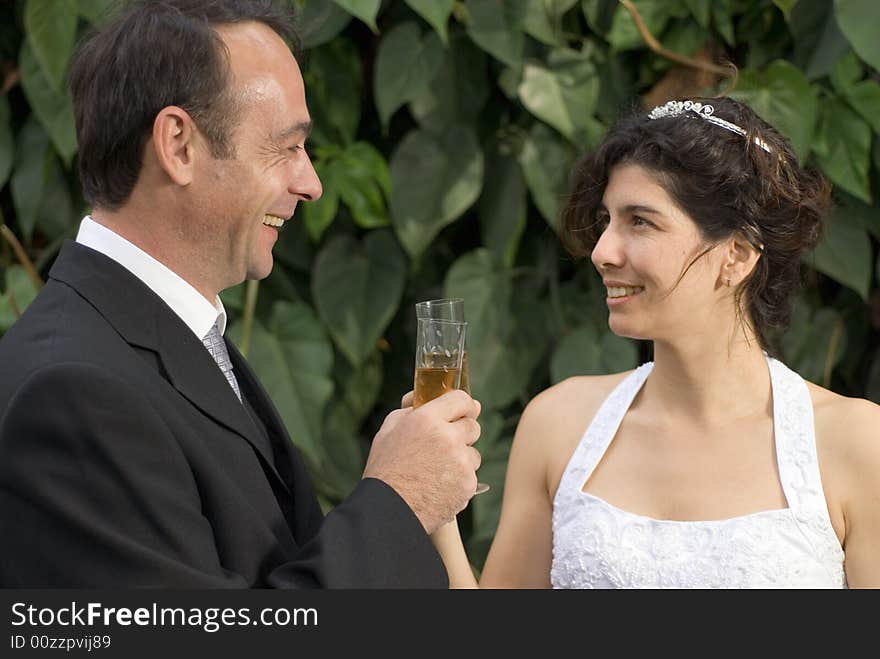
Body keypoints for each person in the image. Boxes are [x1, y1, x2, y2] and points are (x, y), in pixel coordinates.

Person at [0, 0, 482, 588]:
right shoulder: (72, 390)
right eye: (286, 147)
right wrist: (397, 503)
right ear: (178, 144)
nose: (311, 183)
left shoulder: (174, 337)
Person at [430, 96, 880, 588]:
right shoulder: (558, 425)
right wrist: (439, 507)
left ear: (737, 255)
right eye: (606, 220)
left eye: (640, 221)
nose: (602, 251)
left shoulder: (854, 444)